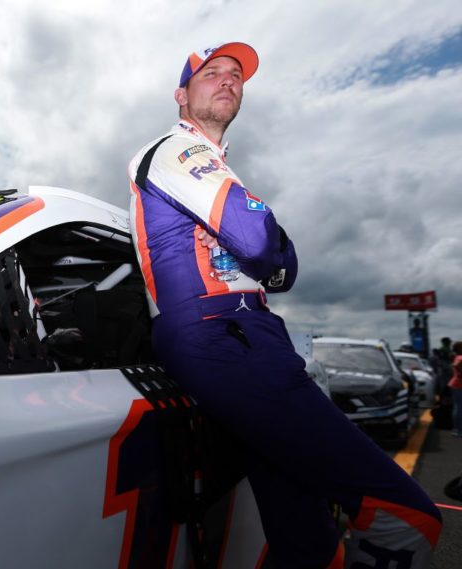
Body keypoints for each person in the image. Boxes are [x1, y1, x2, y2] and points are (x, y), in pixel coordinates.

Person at [127, 42, 441, 567]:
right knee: (407, 517)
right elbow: (258, 241)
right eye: (211, 73)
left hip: (241, 337)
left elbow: (275, 262)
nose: (228, 80)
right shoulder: (177, 150)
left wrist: (261, 248)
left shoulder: (213, 167)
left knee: (307, 538)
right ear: (181, 95)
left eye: (236, 75)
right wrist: (262, 247)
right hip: (224, 335)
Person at [449, 341, 462, 436]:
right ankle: (458, 429)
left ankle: (456, 429)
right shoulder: (460, 357)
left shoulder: (457, 357)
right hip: (459, 385)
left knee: (457, 407)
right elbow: (456, 365)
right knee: (459, 407)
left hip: (456, 384)